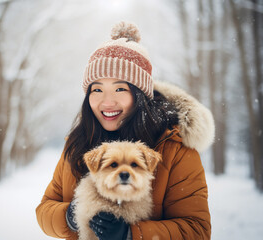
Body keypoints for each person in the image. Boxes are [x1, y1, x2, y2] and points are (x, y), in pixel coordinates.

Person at [36, 21, 214, 240]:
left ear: (140, 95)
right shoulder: (78, 143)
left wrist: (132, 234)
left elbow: (197, 230)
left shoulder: (174, 148)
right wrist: (71, 216)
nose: (106, 101)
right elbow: (44, 210)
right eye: (97, 89)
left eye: (120, 88)